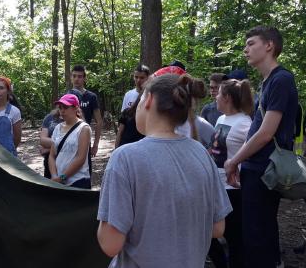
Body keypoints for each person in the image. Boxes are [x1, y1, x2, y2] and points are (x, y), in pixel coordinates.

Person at [97, 73, 231, 267]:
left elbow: (110, 244)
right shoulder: (201, 153)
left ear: (149, 99)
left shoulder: (125, 158)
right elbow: (218, 228)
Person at [224, 26, 298, 268]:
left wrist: (234, 160)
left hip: (266, 170)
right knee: (257, 231)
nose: (246, 49)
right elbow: (256, 130)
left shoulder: (281, 79)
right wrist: (241, 162)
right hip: (255, 168)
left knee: (258, 235)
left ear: (269, 46)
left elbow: (266, 133)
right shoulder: (267, 82)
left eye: (251, 43)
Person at [207, 79, 254, 268]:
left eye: (218, 93)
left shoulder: (245, 122)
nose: (215, 97)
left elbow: (254, 151)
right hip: (216, 185)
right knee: (208, 231)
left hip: (233, 189)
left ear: (226, 98)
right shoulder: (220, 119)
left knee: (234, 237)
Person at [48, 94, 92, 189]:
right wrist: (54, 176)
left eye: (66, 107)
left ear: (75, 108)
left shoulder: (84, 128)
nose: (62, 111)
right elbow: (52, 155)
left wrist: (62, 177)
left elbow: (81, 158)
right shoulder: (57, 128)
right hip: (58, 183)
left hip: (78, 181)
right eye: (60, 108)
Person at [70, 65, 102, 172]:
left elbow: (99, 121)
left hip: (84, 140)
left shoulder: (91, 97)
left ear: (84, 78)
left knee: (85, 172)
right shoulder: (67, 96)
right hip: (69, 141)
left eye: (79, 76)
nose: (76, 79)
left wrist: (95, 145)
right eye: (74, 76)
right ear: (71, 77)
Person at [39, 108, 63, 178]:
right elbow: (42, 140)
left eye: (66, 106)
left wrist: (47, 149)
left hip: (67, 162)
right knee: (49, 185)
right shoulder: (49, 117)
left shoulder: (78, 121)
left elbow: (73, 145)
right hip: (49, 160)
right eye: (61, 105)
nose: (63, 109)